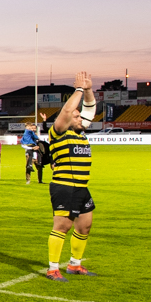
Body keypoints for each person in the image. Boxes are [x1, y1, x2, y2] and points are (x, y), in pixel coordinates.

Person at [45, 72, 97, 282]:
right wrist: (77, 89)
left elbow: (91, 108)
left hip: (81, 187)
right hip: (64, 186)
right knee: (63, 226)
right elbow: (67, 111)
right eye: (77, 116)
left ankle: (75, 265)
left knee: (85, 224)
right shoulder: (59, 131)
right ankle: (53, 268)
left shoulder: (80, 132)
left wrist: (88, 89)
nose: (80, 118)